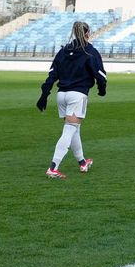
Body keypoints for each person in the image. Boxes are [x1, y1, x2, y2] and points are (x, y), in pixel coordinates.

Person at [36, 19, 107, 179]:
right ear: (88, 33)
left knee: (74, 129)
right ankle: (53, 168)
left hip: (62, 95)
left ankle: (82, 162)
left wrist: (44, 94)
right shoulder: (90, 51)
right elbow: (100, 74)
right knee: (69, 130)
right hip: (77, 95)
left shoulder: (63, 51)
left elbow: (52, 74)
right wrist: (102, 89)